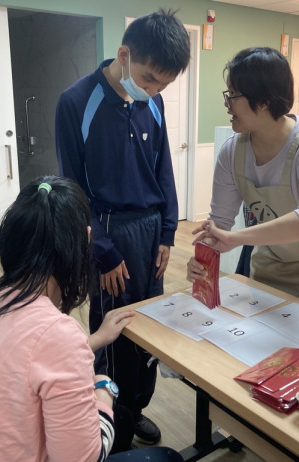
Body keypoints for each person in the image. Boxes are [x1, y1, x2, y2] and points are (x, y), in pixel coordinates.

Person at [0, 176, 184, 462]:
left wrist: (96, 339)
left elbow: (29, 357)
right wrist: (105, 390)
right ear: (85, 239)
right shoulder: (57, 334)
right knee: (166, 457)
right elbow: (83, 458)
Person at [55, 9, 190, 445]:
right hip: (109, 233)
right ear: (124, 55)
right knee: (115, 332)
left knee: (149, 327)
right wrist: (104, 251)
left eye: (162, 86)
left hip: (151, 231)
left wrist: (167, 232)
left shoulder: (154, 102)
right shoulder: (76, 101)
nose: (152, 91)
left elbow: (163, 170)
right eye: (148, 79)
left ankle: (137, 408)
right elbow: (73, 188)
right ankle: (112, 419)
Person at [186, 47, 299, 306]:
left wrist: (236, 238)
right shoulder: (232, 152)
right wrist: (203, 258)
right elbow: (219, 223)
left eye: (233, 95)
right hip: (275, 260)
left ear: (264, 99)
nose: (226, 103)